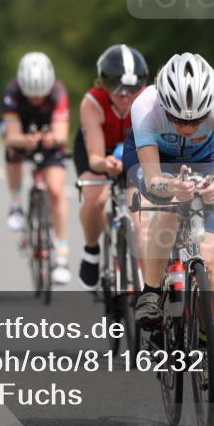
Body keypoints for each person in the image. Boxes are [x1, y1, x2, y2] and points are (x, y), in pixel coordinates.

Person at [124, 53, 214, 391]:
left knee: (210, 259)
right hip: (158, 163)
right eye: (177, 119)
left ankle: (209, 343)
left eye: (196, 120)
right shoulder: (145, 107)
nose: (187, 128)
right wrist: (170, 187)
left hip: (205, 166)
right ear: (164, 105)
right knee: (169, 206)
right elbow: (153, 177)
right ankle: (152, 290)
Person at [74, 44, 149, 291]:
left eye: (133, 89)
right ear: (103, 85)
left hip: (133, 150)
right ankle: (91, 251)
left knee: (139, 215)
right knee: (95, 198)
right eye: (117, 89)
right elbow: (95, 157)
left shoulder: (149, 100)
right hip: (99, 150)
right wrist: (104, 164)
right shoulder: (92, 103)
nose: (126, 96)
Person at [0, 52, 72, 284]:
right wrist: (24, 141)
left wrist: (50, 138)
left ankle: (61, 255)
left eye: (40, 96)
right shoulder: (11, 93)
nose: (36, 101)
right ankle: (15, 205)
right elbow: (11, 136)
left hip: (50, 137)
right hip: (22, 134)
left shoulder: (59, 92)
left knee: (56, 191)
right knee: (12, 152)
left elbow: (61, 134)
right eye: (31, 96)